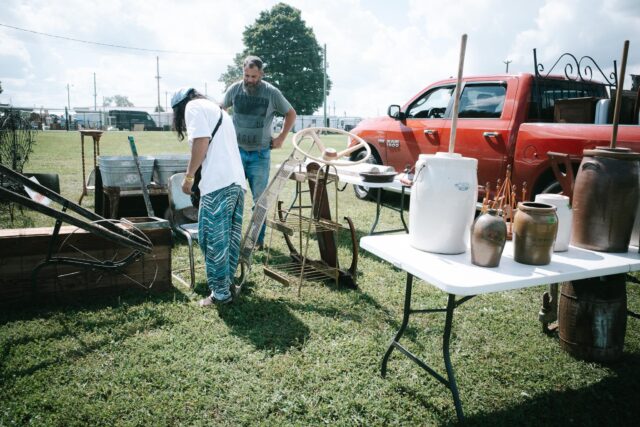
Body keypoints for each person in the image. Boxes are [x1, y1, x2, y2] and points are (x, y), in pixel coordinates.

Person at [171, 87, 247, 306]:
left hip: (217, 184)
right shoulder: (218, 109)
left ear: (179, 107)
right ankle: (227, 284)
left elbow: (201, 141)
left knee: (212, 239)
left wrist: (189, 177)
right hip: (236, 182)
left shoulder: (192, 107)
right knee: (229, 239)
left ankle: (220, 294)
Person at [222, 55, 297, 250]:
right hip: (236, 153)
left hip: (260, 155)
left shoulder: (271, 92)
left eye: (254, 76)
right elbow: (220, 109)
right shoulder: (234, 89)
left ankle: (256, 241)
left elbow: (291, 113)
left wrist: (281, 138)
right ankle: (230, 239)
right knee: (232, 197)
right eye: (246, 75)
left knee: (260, 201)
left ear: (261, 74)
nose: (250, 80)